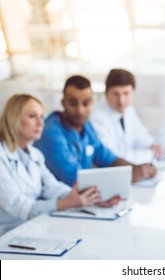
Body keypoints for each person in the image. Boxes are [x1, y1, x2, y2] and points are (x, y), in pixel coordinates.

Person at [0, 94, 118, 236]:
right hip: (7, 237)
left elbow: (51, 187)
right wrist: (64, 204)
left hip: (33, 229)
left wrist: (87, 198)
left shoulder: (34, 154)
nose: (40, 123)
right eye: (32, 116)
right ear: (14, 119)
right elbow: (21, 207)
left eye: (42, 117)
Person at [34, 75, 156, 187]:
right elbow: (76, 178)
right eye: (73, 103)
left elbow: (108, 158)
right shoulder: (51, 133)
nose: (80, 110)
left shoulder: (85, 126)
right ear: (63, 103)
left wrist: (136, 169)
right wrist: (130, 175)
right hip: (58, 201)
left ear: (92, 102)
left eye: (86, 103)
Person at [90, 68, 163, 164]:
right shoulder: (97, 118)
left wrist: (152, 145)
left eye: (126, 93)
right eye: (116, 94)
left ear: (133, 92)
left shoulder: (128, 110)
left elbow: (140, 135)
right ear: (106, 93)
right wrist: (149, 154)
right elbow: (114, 157)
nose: (121, 100)